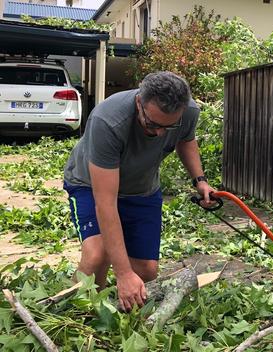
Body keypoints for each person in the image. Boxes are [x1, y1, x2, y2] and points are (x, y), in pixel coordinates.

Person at [63, 71, 218, 311]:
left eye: (169, 126)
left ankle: (119, 315)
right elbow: (106, 203)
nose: (159, 134)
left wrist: (200, 180)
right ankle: (82, 315)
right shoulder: (108, 120)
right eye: (153, 124)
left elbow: (185, 139)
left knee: (146, 271)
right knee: (97, 257)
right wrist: (123, 273)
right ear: (139, 103)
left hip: (142, 188)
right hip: (90, 185)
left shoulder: (188, 111)